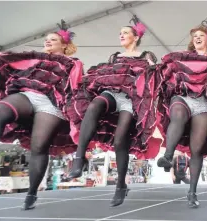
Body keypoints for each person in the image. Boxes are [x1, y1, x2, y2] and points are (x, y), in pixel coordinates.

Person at [0, 20, 83, 210]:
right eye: (46, 39)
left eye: (53, 39)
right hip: (27, 94)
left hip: (51, 104)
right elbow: (12, 62)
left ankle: (32, 192)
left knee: (39, 145)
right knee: (0, 110)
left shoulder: (73, 63)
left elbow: (75, 87)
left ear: (64, 45)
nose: (48, 41)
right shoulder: (35, 58)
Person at [64, 15, 161, 207]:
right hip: (111, 93)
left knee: (119, 141)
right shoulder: (114, 57)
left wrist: (152, 70)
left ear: (136, 37)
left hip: (130, 100)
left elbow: (152, 81)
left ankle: (121, 186)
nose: (121, 35)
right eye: (120, 33)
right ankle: (79, 157)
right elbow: (105, 75)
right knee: (93, 106)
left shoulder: (146, 56)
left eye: (125, 32)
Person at [155, 21, 207, 208]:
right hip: (182, 97)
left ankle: (192, 191)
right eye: (195, 37)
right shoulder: (184, 58)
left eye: (201, 35)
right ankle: (168, 156)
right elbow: (167, 70)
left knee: (197, 150)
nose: (198, 38)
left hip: (202, 104)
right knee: (177, 115)